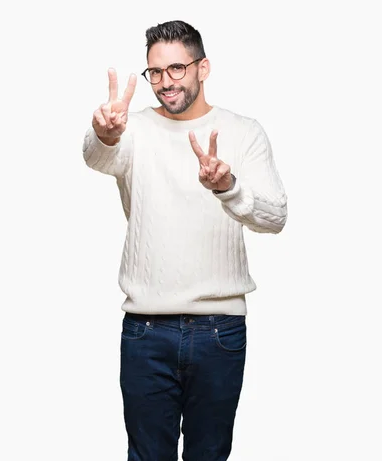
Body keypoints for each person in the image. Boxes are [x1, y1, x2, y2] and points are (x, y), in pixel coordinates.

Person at [81, 20, 287, 461]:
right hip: (145, 331)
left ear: (203, 67)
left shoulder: (244, 131)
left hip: (219, 331)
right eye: (155, 72)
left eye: (176, 69)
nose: (165, 82)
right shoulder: (131, 128)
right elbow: (97, 157)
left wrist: (228, 185)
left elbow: (275, 217)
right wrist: (105, 131)